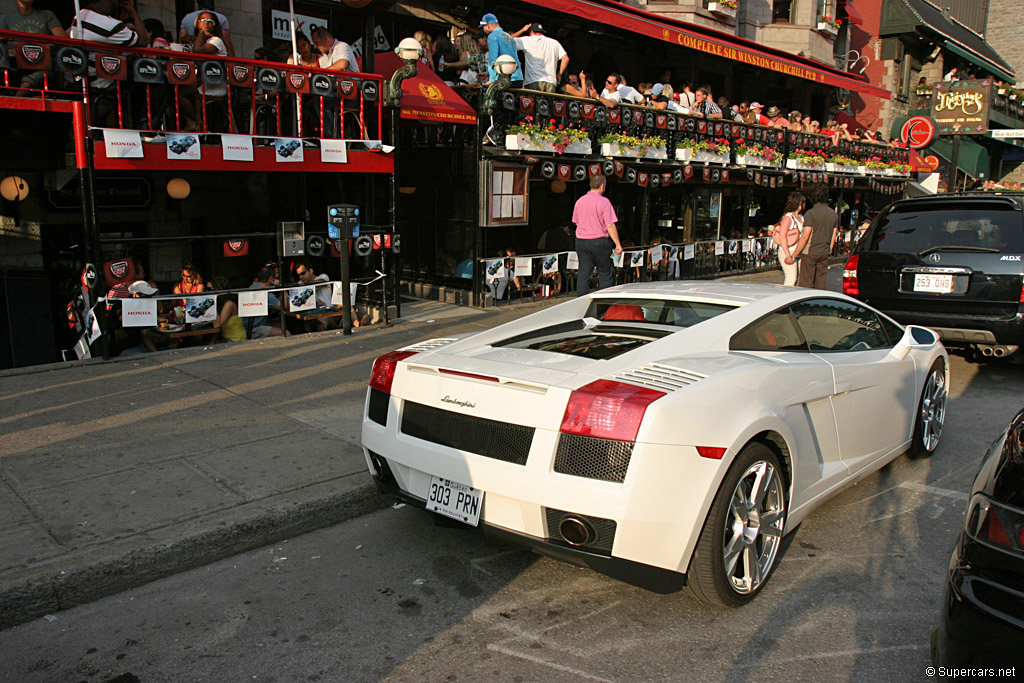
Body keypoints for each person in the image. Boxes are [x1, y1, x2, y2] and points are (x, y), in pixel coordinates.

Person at [69, 1, 146, 128]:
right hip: (101, 78)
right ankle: (146, 125)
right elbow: (143, 41)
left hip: (85, 75)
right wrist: (133, 12)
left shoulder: (81, 14)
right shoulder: (110, 25)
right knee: (151, 77)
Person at [572, 175, 623, 296]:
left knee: (584, 273)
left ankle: (581, 301)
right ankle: (603, 301)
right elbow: (610, 225)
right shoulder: (604, 202)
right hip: (599, 241)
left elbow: (576, 222)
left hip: (582, 241)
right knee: (605, 272)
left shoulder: (580, 201)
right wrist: (618, 244)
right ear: (602, 186)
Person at [0, 0, 66, 91]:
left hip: (43, 68)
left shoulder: (46, 15)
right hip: (16, 67)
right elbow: (1, 48)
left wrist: (43, 49)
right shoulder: (6, 18)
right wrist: (13, 52)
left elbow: (63, 40)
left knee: (27, 85)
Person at [793, 183, 838, 290]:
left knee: (806, 283)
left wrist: (794, 255)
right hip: (824, 251)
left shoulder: (811, 213)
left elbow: (805, 236)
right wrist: (829, 249)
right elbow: (834, 234)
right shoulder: (833, 214)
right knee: (821, 282)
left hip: (810, 251)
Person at [512, 23, 568, 93]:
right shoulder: (555, 43)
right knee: (547, 103)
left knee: (533, 103)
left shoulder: (528, 40)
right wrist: (559, 74)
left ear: (531, 32)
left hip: (534, 81)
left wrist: (523, 30)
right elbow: (565, 59)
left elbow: (507, 41)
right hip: (551, 82)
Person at [479, 13, 523, 88]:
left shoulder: (492, 36)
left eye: (483, 27)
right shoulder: (509, 37)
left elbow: (493, 59)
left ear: (488, 26)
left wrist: (492, 79)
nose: (483, 29)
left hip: (504, 79)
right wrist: (487, 73)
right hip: (518, 77)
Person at [772, 191, 806, 286]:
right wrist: (787, 255)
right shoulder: (788, 217)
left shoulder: (801, 217)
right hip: (788, 251)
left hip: (797, 251)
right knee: (791, 279)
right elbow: (782, 236)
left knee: (797, 278)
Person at [246, 265, 285, 339]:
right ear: (271, 279)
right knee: (286, 333)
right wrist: (282, 287)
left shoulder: (253, 287)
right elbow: (284, 306)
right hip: (254, 329)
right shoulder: (263, 292)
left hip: (249, 326)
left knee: (278, 325)